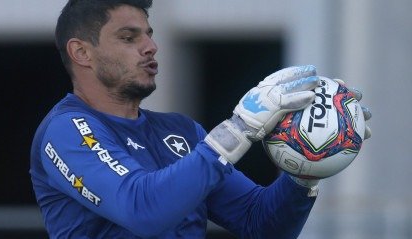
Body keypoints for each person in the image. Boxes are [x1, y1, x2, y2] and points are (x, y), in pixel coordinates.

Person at [30, 0, 371, 238]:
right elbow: (141, 210)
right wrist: (239, 128)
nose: (150, 47)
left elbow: (260, 223)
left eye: (149, 34)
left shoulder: (179, 130)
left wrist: (307, 165)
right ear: (82, 52)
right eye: (129, 37)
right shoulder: (66, 130)